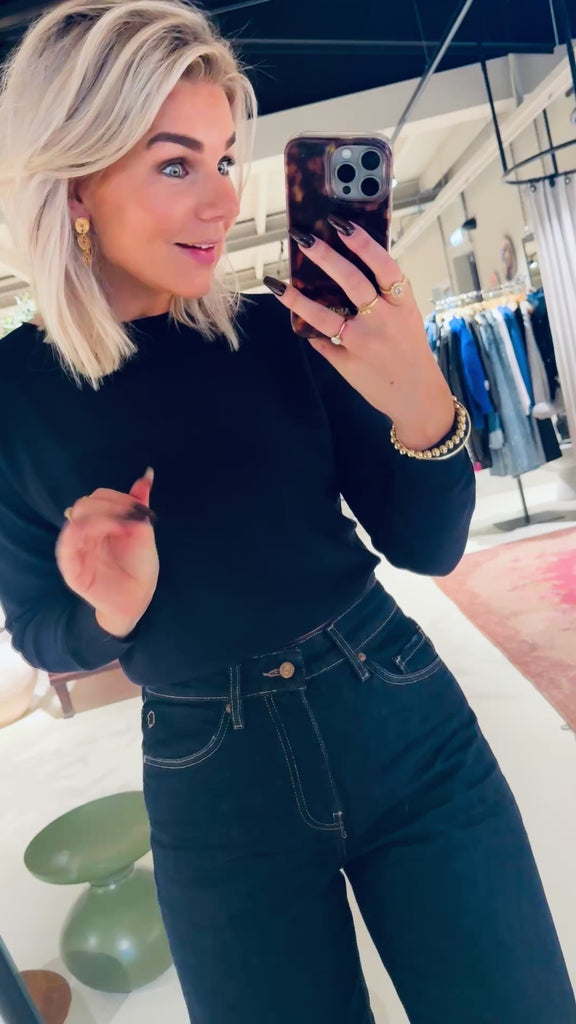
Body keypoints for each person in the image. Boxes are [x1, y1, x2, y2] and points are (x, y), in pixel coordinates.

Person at [0, 2, 574, 1022]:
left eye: (225, 158)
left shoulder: (279, 327)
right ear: (74, 181)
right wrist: (110, 612)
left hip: (399, 712)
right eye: (176, 164)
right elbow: (41, 627)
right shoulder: (13, 396)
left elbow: (428, 545)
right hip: (212, 780)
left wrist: (421, 397)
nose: (224, 198)